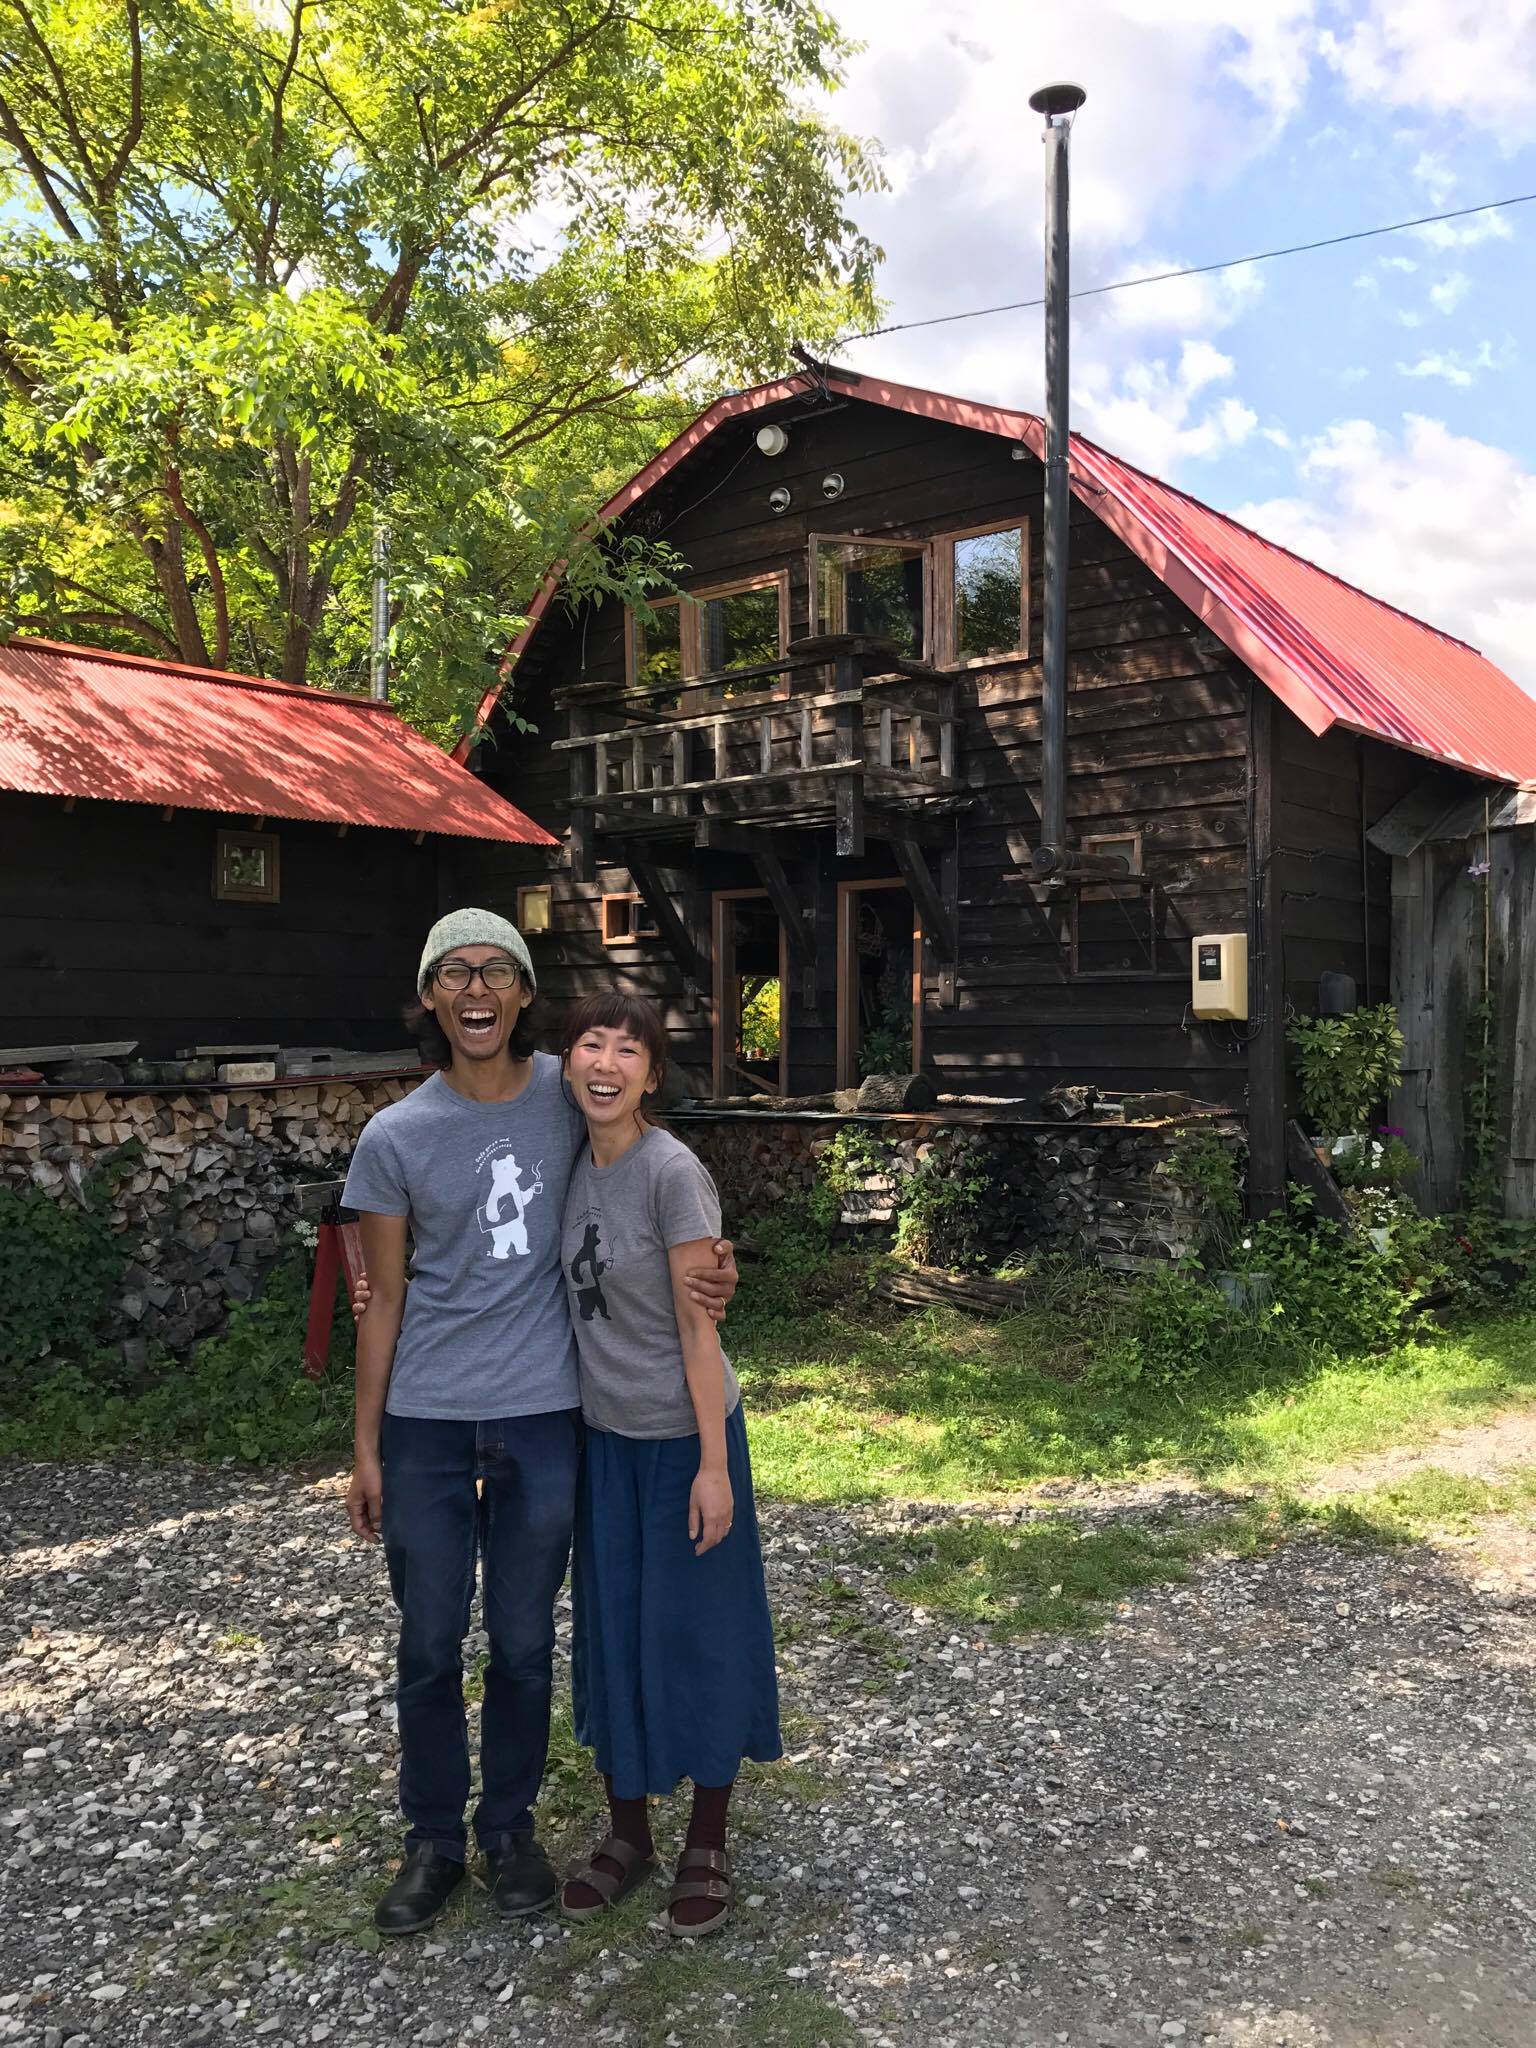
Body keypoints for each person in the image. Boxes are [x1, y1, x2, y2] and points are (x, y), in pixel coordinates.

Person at [342, 910, 736, 1937]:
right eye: (454, 973)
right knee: (429, 1639)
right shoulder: (393, 1136)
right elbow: (378, 1297)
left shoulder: (572, 1090)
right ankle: (432, 1840)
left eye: (496, 972)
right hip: (428, 1419)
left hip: (548, 1415)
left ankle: (509, 1829)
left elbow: (651, 1159)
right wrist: (366, 1444)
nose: (476, 989)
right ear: (431, 996)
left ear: (521, 995)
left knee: (523, 1640)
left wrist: (713, 1262)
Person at [556, 990, 780, 1938]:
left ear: (652, 1074)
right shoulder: (567, 1160)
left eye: (628, 1050)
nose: (606, 1062)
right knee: (615, 1632)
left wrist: (713, 1467)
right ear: (567, 1064)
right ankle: (628, 1833)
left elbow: (700, 1325)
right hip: (605, 1443)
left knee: (701, 1631)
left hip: (687, 1441)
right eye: (590, 1044)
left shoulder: (670, 1173)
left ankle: (708, 1839)